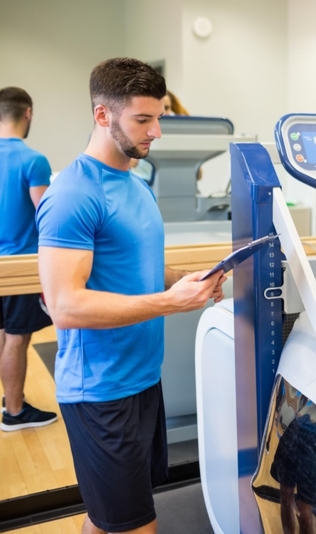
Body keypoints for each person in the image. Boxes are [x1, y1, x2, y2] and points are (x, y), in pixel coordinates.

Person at [36, 58, 226, 534]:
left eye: (159, 116)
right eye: (143, 119)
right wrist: (169, 303)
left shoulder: (137, 184)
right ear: (103, 116)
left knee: (107, 520)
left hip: (143, 379)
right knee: (137, 526)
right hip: (101, 391)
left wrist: (187, 279)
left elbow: (137, 271)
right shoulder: (73, 194)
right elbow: (65, 304)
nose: (157, 131)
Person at [0, 86, 58, 432]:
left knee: (3, 334)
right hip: (20, 265)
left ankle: (9, 399)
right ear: (28, 113)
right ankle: (15, 410)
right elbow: (47, 215)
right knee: (18, 339)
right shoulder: (33, 160)